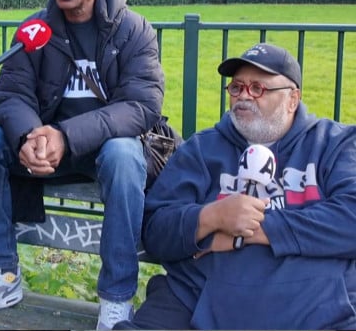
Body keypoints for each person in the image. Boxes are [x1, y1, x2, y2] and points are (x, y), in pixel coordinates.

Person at [0, 0, 164, 330]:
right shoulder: (36, 28)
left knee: (123, 153)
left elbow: (141, 106)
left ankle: (116, 299)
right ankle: (3, 274)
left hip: (100, 151)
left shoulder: (134, 31)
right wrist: (30, 137)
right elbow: (10, 91)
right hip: (42, 149)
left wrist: (65, 135)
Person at [115, 43, 356, 330]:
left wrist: (253, 230)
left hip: (313, 308)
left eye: (258, 88)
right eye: (237, 87)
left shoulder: (333, 145)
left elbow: (350, 217)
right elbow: (156, 230)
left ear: (293, 99)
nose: (243, 97)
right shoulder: (202, 150)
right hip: (199, 299)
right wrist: (212, 218)